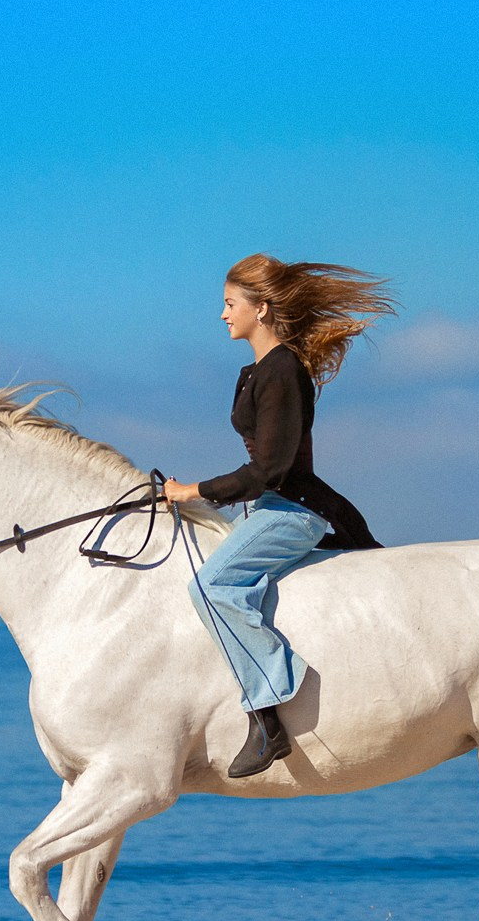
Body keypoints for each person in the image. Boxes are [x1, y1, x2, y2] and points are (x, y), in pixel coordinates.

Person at [162, 254, 391, 778]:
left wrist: (194, 490)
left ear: (261, 309)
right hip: (268, 505)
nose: (222, 314)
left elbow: (269, 468)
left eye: (230, 304)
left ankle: (268, 718)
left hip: (295, 510)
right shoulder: (256, 371)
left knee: (212, 587)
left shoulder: (283, 370)